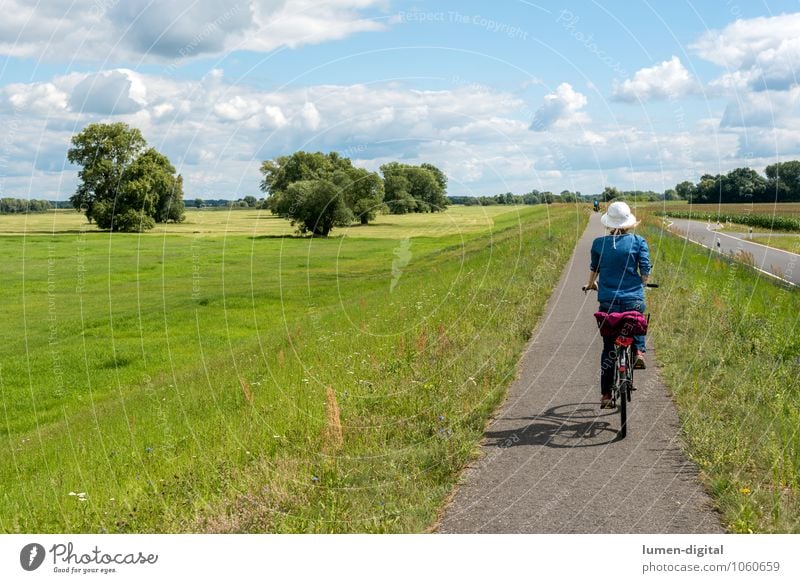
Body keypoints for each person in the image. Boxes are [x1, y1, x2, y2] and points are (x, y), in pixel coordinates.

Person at [583, 201, 651, 409]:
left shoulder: (598, 243)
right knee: (636, 317)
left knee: (608, 347)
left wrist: (590, 284)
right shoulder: (638, 241)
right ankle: (639, 351)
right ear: (629, 222)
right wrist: (643, 283)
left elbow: (595, 269)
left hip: (608, 301)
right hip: (633, 298)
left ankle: (605, 395)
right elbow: (645, 268)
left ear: (609, 223)